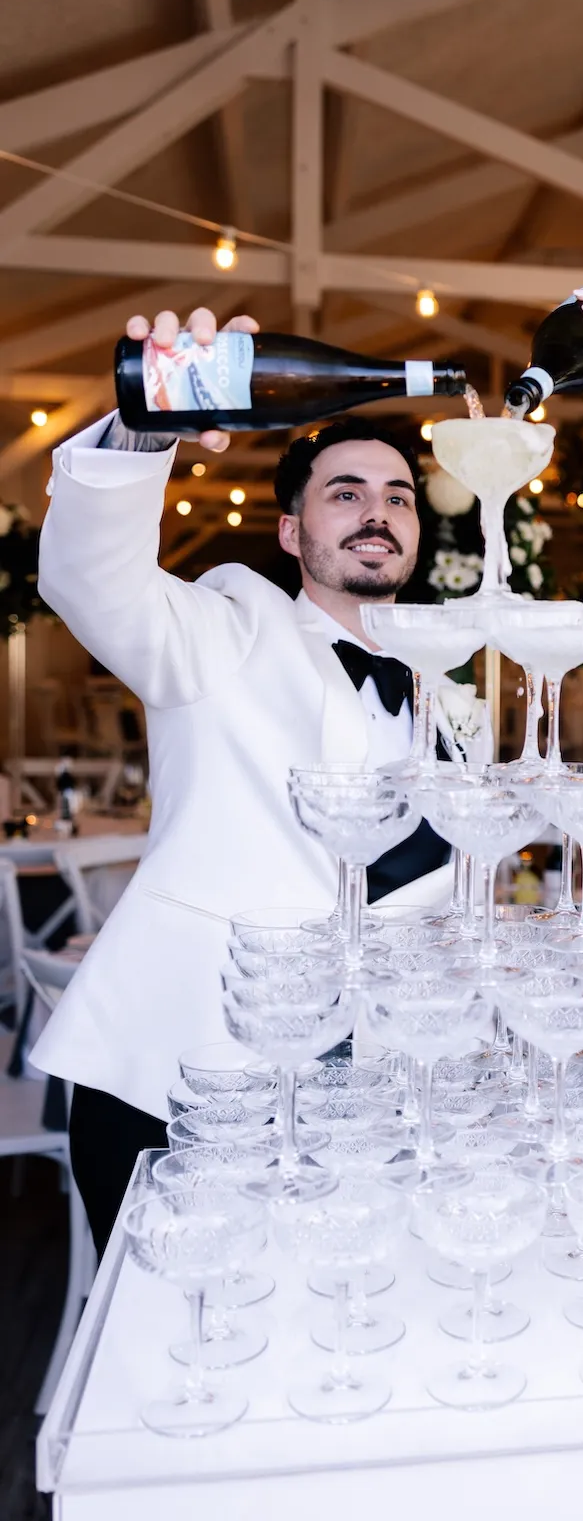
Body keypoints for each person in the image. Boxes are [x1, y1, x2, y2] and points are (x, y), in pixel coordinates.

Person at [35, 306, 459, 1255]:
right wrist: (147, 432)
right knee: (174, 1372)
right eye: (345, 494)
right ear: (289, 528)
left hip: (354, 1103)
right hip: (183, 1082)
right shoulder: (226, 633)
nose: (378, 512)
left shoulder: (440, 690)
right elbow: (89, 577)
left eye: (397, 497)